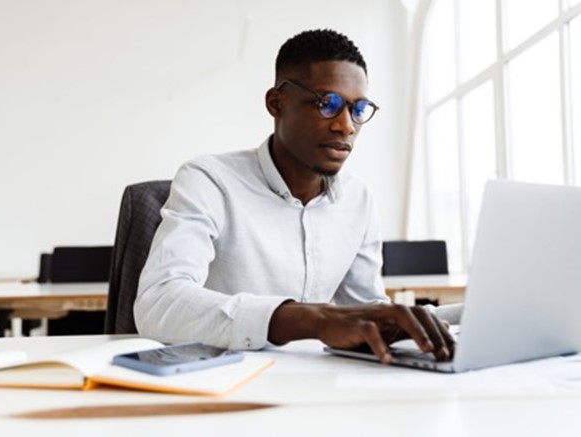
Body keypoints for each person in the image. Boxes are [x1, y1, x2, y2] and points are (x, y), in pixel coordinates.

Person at [135, 29, 456, 363]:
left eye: (358, 109)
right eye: (327, 103)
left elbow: (361, 306)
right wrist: (311, 319)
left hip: (316, 384)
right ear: (277, 103)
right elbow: (158, 303)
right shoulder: (209, 180)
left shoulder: (358, 200)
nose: (346, 126)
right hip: (220, 383)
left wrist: (403, 325)